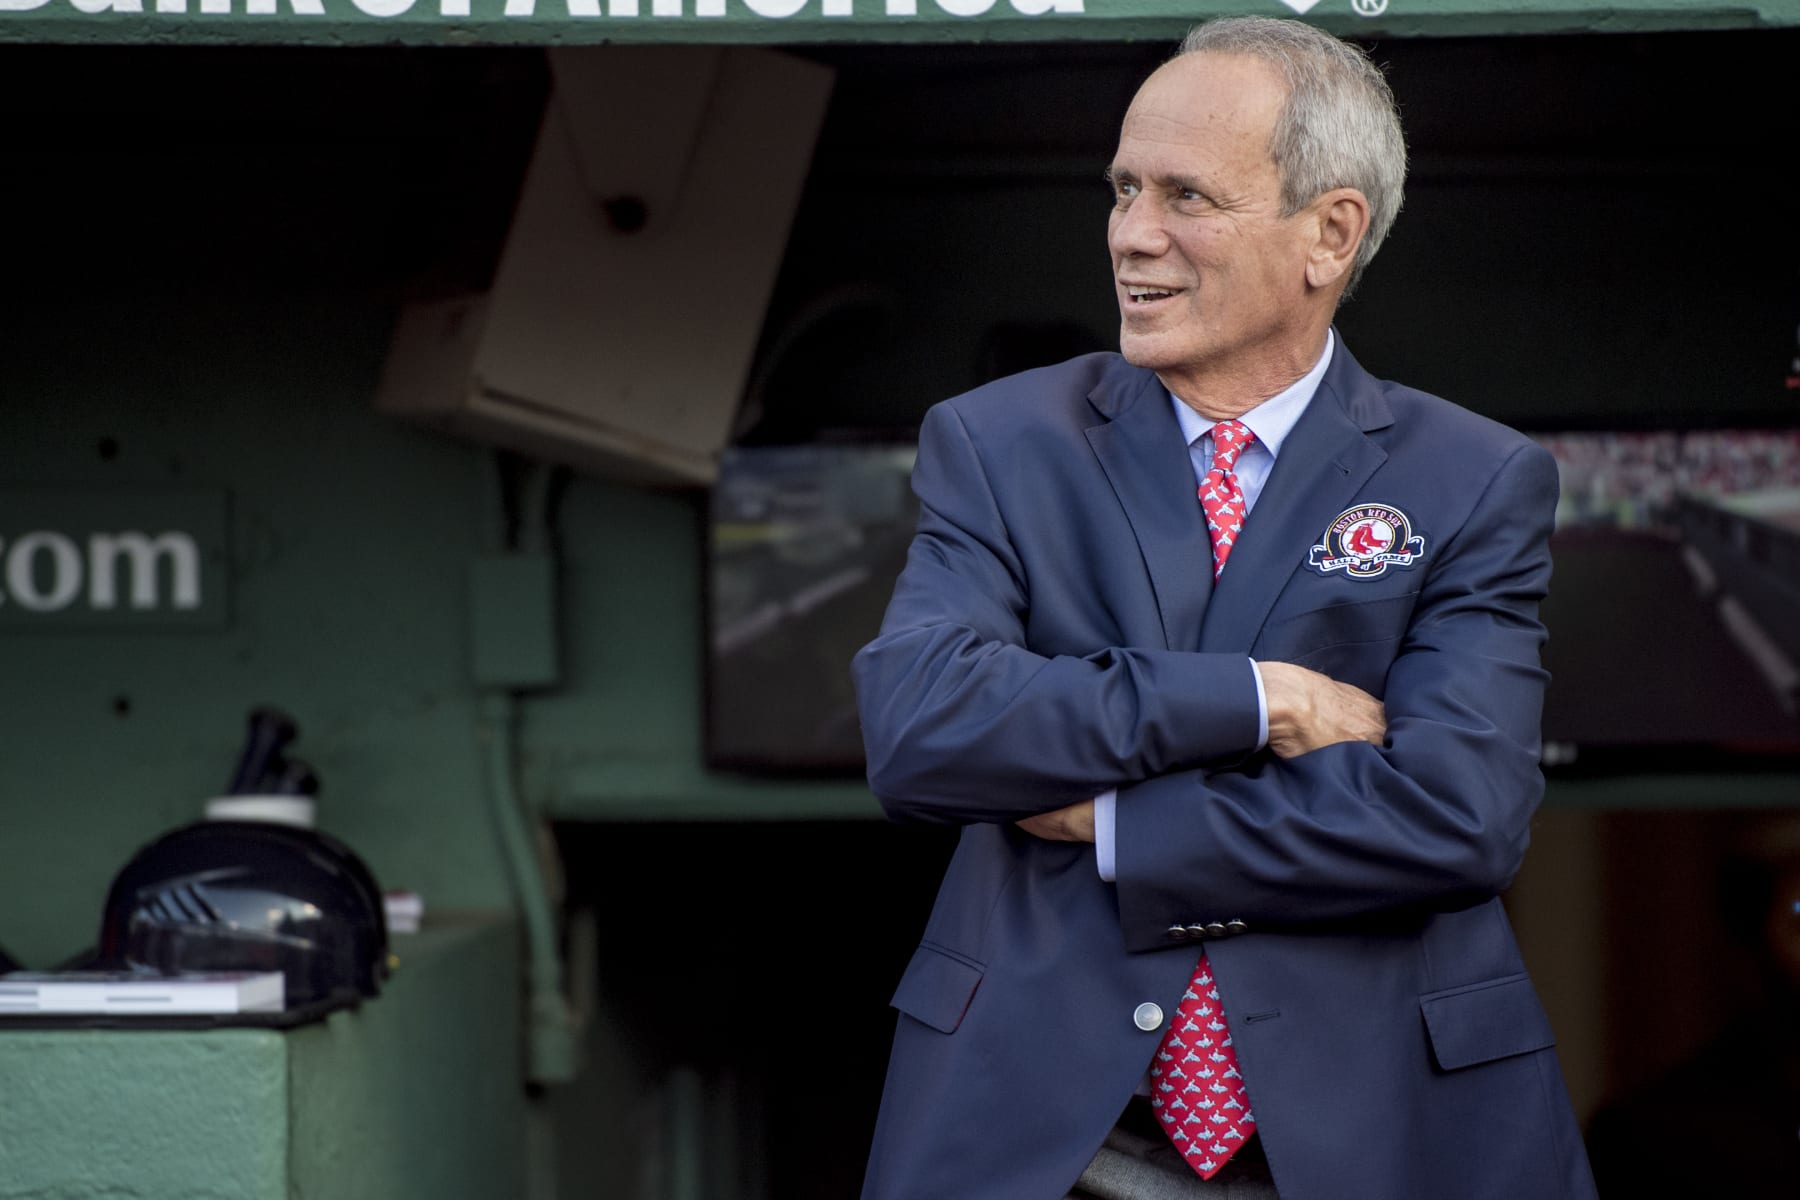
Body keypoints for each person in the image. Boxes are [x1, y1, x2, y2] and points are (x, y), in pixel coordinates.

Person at [851, 17, 1597, 1200]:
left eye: (1187, 196)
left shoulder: (1473, 477)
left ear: (1330, 234)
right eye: (1124, 189)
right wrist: (1262, 702)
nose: (1133, 236)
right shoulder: (999, 442)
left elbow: (1461, 817)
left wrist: (1112, 827)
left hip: (1380, 1127)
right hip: (1040, 1129)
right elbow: (925, 727)